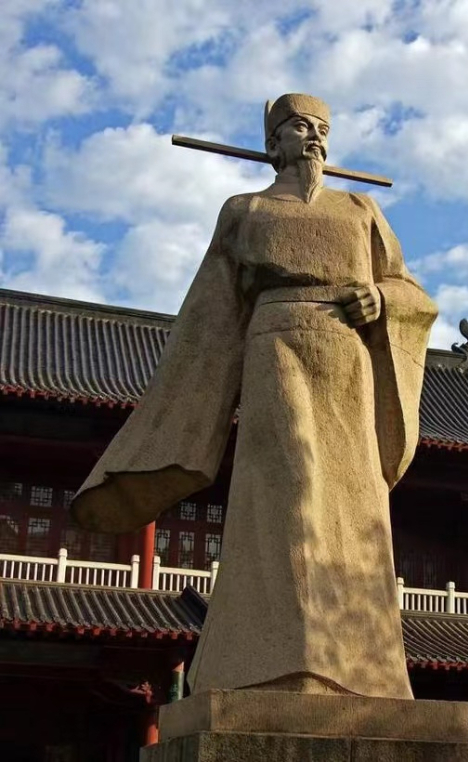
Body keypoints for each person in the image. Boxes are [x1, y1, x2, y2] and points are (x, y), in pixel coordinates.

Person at [72, 93, 437, 699]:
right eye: (300, 127)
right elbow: (211, 312)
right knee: (288, 492)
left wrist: (381, 299)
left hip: (348, 361)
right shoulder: (245, 210)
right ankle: (276, 660)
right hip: (276, 351)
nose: (314, 138)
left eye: (322, 129)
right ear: (273, 143)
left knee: (355, 501)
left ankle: (364, 669)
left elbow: (409, 290)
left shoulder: (360, 209)